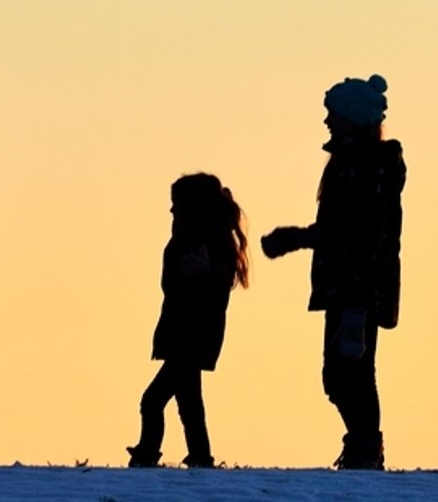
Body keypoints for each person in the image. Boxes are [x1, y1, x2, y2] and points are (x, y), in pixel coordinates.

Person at [260, 74, 405, 471]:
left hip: (357, 288)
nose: (326, 121)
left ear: (352, 117)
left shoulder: (369, 167)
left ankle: (365, 451)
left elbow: (361, 232)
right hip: (348, 286)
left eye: (332, 113)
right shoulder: (350, 163)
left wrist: (298, 239)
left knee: (351, 373)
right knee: (340, 375)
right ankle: (363, 448)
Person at [126, 173, 249, 469]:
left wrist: (202, 274)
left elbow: (212, 287)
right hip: (185, 333)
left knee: (153, 400)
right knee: (189, 402)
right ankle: (199, 455)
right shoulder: (196, 238)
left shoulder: (208, 241)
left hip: (190, 336)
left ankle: (148, 454)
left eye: (177, 204)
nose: (172, 211)